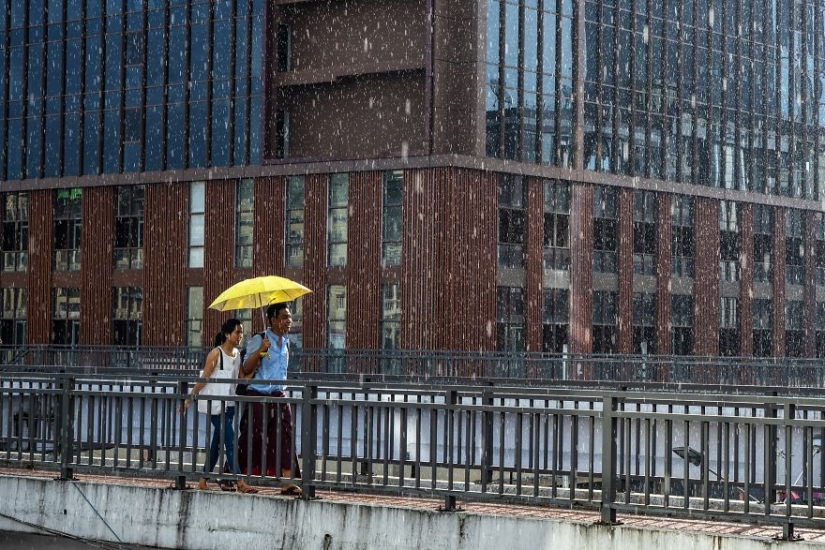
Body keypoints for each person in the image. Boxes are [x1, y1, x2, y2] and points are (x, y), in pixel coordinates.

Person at [181, 318, 257, 494]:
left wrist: (256, 363)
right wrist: (190, 397)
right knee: (230, 441)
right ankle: (239, 481)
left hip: (229, 404)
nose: (240, 335)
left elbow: (241, 379)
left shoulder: (237, 355)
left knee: (217, 443)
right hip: (215, 406)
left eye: (241, 332)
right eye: (237, 332)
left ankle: (202, 479)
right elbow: (204, 379)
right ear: (227, 334)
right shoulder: (216, 354)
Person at [237, 302, 301, 495]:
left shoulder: (287, 341)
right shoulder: (260, 339)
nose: (288, 321)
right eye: (284, 317)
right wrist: (261, 351)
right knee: (252, 436)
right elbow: (247, 368)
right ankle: (235, 475)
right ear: (272, 319)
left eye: (289, 317)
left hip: (279, 395)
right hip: (259, 394)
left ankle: (287, 481)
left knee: (285, 436)